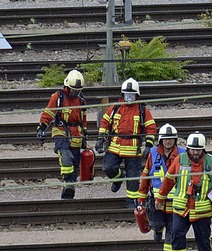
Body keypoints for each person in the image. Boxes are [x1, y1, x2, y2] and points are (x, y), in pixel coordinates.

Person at [155, 132, 212, 251]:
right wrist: (160, 199)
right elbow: (168, 181)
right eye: (193, 149)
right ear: (188, 148)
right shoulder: (179, 160)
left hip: (201, 209)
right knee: (176, 234)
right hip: (181, 207)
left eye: (198, 150)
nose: (195, 153)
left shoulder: (211, 162)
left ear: (203, 149)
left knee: (203, 239)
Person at [95, 77, 157, 208]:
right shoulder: (115, 108)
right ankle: (118, 178)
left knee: (133, 177)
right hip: (115, 146)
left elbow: (150, 127)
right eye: (127, 95)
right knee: (108, 168)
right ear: (122, 95)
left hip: (132, 149)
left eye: (132, 95)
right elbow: (105, 123)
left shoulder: (142, 110)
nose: (129, 98)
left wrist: (149, 144)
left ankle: (131, 200)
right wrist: (101, 138)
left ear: (137, 96)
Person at [137, 123, 185, 251]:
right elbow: (145, 178)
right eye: (166, 139)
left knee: (172, 231)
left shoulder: (183, 154)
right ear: (161, 140)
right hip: (156, 202)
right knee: (156, 225)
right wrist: (140, 200)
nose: (168, 142)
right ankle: (157, 231)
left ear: (175, 140)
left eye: (171, 139)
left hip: (174, 202)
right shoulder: (153, 154)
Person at [37, 69, 88, 200]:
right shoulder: (58, 97)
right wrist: (41, 128)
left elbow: (83, 119)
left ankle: (68, 193)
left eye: (78, 91)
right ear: (67, 86)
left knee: (75, 166)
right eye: (73, 90)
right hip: (61, 132)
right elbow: (48, 113)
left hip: (76, 135)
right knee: (66, 158)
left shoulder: (81, 99)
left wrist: (84, 136)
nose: (75, 93)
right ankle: (68, 183)